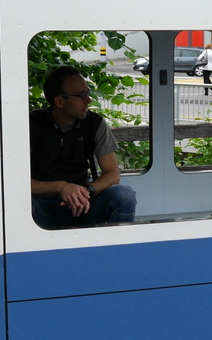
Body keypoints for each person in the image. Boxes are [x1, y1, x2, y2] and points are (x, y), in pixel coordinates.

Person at [30, 66, 137, 228]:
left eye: (88, 93)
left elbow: (113, 174)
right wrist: (61, 187)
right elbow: (14, 182)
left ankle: (119, 248)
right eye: (81, 96)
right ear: (59, 101)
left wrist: (87, 190)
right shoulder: (31, 125)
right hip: (41, 205)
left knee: (124, 195)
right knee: (19, 203)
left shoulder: (94, 124)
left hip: (84, 203)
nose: (89, 100)